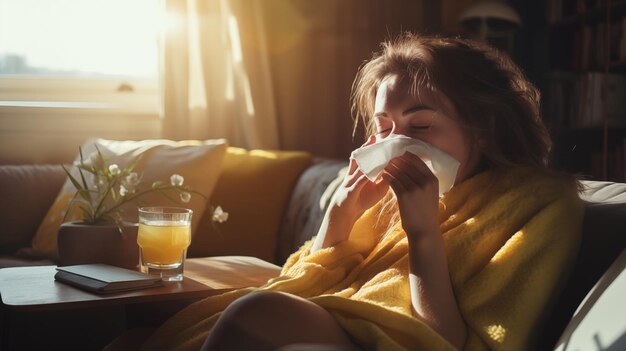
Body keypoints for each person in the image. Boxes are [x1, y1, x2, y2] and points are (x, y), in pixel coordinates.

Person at [114, 33, 583, 351]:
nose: (398, 143)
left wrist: (423, 235)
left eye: (420, 125)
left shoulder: (540, 206)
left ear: (485, 127)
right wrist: (335, 222)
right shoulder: (384, 195)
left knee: (255, 309)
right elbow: (308, 283)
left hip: (397, 339)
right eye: (384, 129)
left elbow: (453, 341)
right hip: (341, 323)